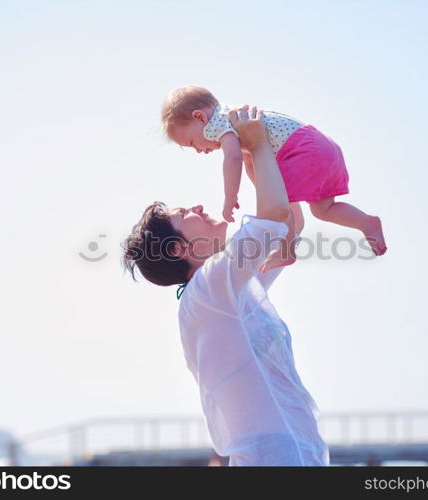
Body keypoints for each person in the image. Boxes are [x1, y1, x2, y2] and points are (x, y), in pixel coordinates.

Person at [122, 106, 329, 466]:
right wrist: (260, 145)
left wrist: (255, 164)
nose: (198, 206)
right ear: (178, 249)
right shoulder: (208, 288)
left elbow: (288, 224)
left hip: (298, 453)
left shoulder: (224, 288)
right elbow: (275, 218)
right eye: (184, 214)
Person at [161, 85, 387, 272]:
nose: (199, 151)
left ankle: (286, 251)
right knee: (323, 209)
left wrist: (230, 197)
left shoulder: (220, 124)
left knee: (279, 203)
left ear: (199, 117)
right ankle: (366, 222)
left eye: (192, 143)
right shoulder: (238, 119)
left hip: (302, 151)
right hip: (323, 147)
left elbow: (233, 160)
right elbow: (254, 167)